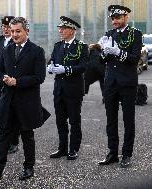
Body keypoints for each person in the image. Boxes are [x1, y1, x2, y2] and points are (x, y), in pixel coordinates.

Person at [0, 17, 49, 181]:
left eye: (17, 31)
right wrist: (4, 78)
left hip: (27, 102)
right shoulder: (7, 49)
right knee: (3, 135)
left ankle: (29, 168)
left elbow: (39, 77)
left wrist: (18, 82)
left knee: (27, 136)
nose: (14, 34)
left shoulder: (37, 51)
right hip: (8, 101)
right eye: (12, 31)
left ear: (27, 31)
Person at [98, 5, 142, 168]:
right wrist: (104, 52)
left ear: (126, 17)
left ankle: (127, 154)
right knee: (111, 119)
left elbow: (135, 58)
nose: (114, 21)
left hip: (127, 83)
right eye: (113, 18)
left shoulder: (135, 34)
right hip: (110, 82)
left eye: (117, 18)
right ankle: (112, 153)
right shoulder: (109, 35)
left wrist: (118, 52)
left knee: (128, 119)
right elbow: (101, 61)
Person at [48, 16, 88, 160]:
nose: (61, 30)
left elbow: (83, 66)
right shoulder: (58, 45)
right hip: (59, 89)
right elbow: (51, 60)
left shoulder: (81, 46)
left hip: (73, 89)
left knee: (74, 120)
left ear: (72, 30)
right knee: (60, 120)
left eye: (64, 28)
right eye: (60, 28)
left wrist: (66, 69)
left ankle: (74, 149)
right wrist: (50, 67)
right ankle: (62, 148)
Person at [0, 16, 19, 154]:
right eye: (4, 27)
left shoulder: (16, 41)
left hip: (13, 82)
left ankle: (14, 141)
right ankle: (6, 140)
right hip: (0, 82)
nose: (6, 29)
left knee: (13, 112)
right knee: (3, 112)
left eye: (8, 27)